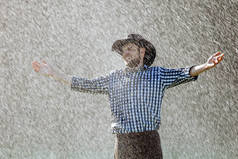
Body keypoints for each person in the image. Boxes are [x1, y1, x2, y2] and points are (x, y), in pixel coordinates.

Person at [32, 34, 224, 159]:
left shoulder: (158, 74)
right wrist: (53, 73)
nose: (125, 53)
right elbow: (84, 84)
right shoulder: (113, 78)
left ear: (142, 51)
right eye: (123, 51)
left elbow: (186, 72)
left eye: (130, 48)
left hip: (149, 140)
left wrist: (206, 66)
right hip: (123, 141)